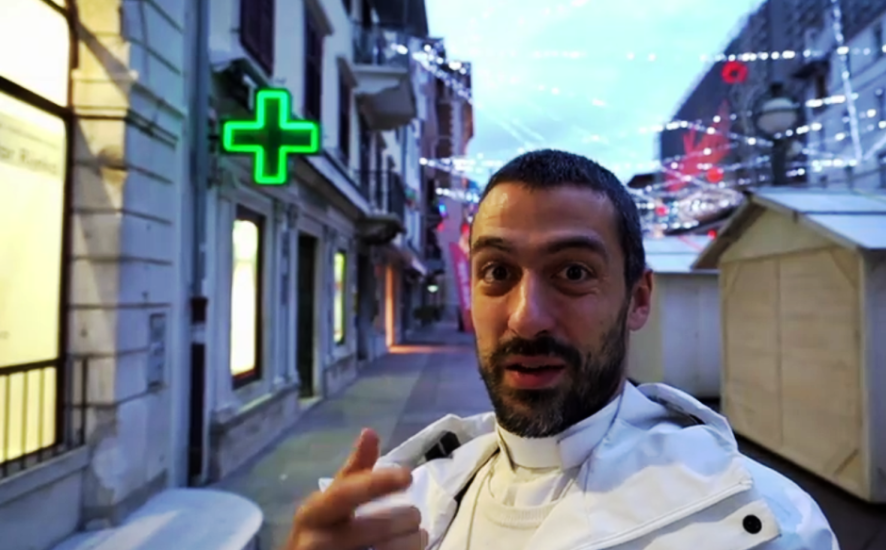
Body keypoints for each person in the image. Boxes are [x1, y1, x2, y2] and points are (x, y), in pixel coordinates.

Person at [284, 149, 839, 550]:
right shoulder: (396, 511)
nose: (526, 318)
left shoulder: (766, 522)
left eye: (573, 272)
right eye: (497, 272)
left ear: (638, 299)